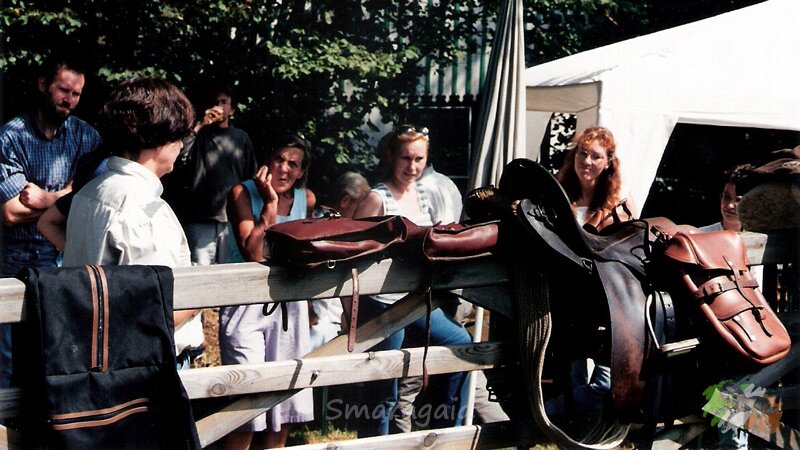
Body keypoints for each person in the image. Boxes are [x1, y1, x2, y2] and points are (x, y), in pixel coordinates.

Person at [61, 77, 203, 370]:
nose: (181, 145)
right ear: (158, 140)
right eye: (178, 136)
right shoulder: (145, 211)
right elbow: (154, 314)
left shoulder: (90, 193)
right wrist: (202, 297)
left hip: (97, 356)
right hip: (149, 365)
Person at [351, 124, 472, 437]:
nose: (412, 166)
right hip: (383, 306)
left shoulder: (423, 194)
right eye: (406, 158)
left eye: (419, 159)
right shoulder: (376, 199)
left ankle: (444, 434)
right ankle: (373, 444)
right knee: (384, 390)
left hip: (417, 301)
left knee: (461, 346)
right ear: (392, 157)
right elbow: (354, 257)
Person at [0, 54, 101, 387]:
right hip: (14, 265)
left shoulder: (87, 138)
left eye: (76, 93)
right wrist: (70, 196)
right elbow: (11, 212)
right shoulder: (11, 136)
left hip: (66, 260)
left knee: (57, 358)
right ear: (43, 85)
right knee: (8, 364)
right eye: (63, 90)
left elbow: (96, 199)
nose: (69, 99)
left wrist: (47, 199)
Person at [219, 132, 316, 449]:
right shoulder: (242, 193)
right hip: (246, 301)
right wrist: (270, 205)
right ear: (267, 161)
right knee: (246, 401)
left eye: (293, 164)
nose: (284, 169)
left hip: (289, 303)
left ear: (301, 171)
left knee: (284, 401)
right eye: (279, 160)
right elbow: (254, 252)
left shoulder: (306, 199)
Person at [545, 126, 637, 422]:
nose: (586, 161)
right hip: (570, 302)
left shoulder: (619, 203)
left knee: (605, 381)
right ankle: (581, 433)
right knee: (577, 377)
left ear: (608, 162)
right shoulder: (560, 198)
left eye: (595, 156)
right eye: (582, 153)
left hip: (610, 303)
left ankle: (546, 415)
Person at [163, 83, 257, 266]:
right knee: (199, 271)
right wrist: (200, 125)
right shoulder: (198, 136)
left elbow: (250, 176)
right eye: (215, 102)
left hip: (232, 219)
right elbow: (178, 156)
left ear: (232, 110)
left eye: (224, 102)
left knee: (232, 271)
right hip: (200, 218)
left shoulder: (241, 138)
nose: (218, 106)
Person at [700, 163, 757, 450]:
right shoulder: (701, 237)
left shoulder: (764, 239)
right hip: (719, 340)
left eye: (739, 199)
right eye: (726, 197)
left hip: (756, 341)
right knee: (733, 389)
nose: (730, 205)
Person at [309, 171, 370, 350]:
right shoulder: (322, 229)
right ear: (345, 201)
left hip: (336, 324)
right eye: (362, 205)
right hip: (319, 325)